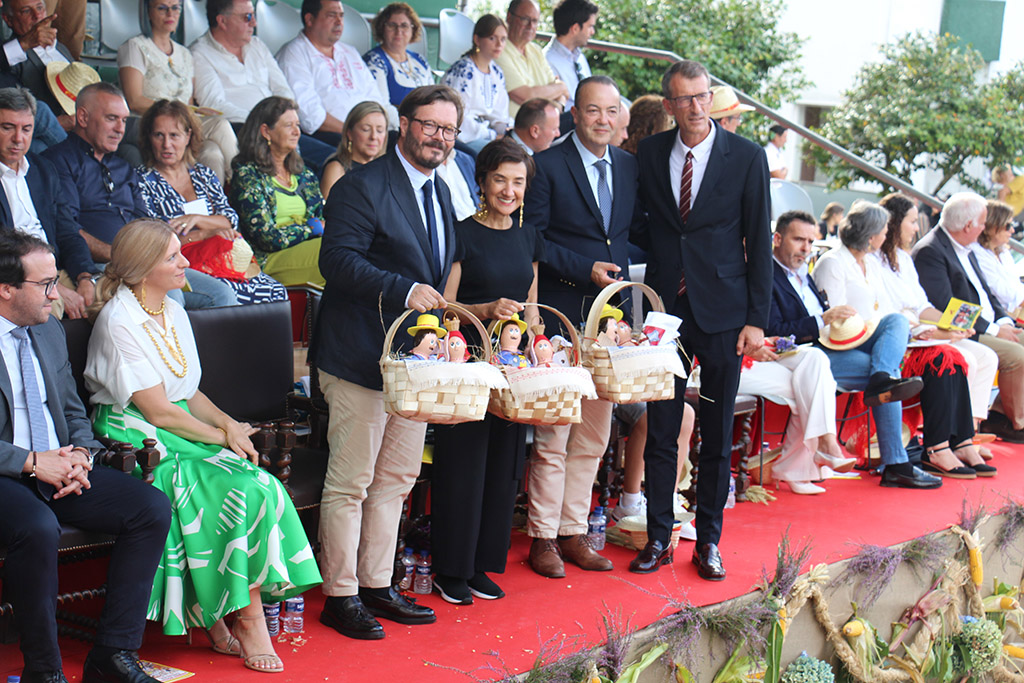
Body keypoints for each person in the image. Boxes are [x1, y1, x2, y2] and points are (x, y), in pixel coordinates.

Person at [84, 219, 321, 674]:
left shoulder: (171, 309)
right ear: (141, 268)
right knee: (241, 487)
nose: (185, 262)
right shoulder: (118, 320)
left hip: (178, 423)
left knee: (259, 483)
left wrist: (231, 426)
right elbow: (158, 411)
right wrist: (221, 439)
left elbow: (189, 394)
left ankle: (216, 616)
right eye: (173, 256)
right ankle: (250, 621)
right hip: (135, 435)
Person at [313, 84, 461, 640]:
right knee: (351, 482)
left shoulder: (442, 190)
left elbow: (442, 269)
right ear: (405, 124)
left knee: (396, 480)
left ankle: (377, 585)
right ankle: (340, 595)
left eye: (449, 130)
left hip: (413, 361)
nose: (439, 138)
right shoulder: (361, 186)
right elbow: (336, 262)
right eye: (430, 125)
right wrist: (405, 290)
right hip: (357, 356)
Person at [0, 229, 171, 683]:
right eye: (45, 285)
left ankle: (113, 654)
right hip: (7, 472)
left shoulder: (49, 329)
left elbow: (74, 408)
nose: (57, 295)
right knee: (37, 528)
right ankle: (44, 671)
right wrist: (34, 462)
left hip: (56, 464)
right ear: (6, 289)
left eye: (56, 281)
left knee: (148, 507)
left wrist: (81, 453)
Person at [631, 59, 772, 580]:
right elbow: (646, 226)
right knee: (661, 430)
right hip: (666, 314)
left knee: (714, 432)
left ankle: (708, 542)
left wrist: (756, 318)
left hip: (724, 317)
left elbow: (758, 241)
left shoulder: (747, 157)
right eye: (684, 99)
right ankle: (658, 538)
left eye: (702, 96)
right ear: (668, 105)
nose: (694, 107)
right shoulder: (648, 154)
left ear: (710, 98)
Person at [522, 75, 636, 579]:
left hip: (611, 322)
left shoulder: (630, 168)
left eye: (611, 112)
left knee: (594, 434)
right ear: (575, 114)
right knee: (553, 434)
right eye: (593, 111)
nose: (603, 121)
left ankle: (572, 532)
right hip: (561, 315)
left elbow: (628, 239)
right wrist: (583, 269)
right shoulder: (545, 166)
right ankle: (542, 536)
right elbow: (536, 241)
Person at [430, 137, 540, 604]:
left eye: (518, 182)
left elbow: (532, 306)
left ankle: (481, 564)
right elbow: (444, 306)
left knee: (503, 467)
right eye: (500, 179)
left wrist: (534, 349)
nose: (508, 190)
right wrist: (487, 309)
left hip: (511, 368)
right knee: (464, 466)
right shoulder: (462, 232)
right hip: (468, 363)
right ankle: (450, 569)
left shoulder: (528, 234)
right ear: (482, 182)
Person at [815, 200, 993, 479]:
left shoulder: (869, 264)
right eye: (884, 231)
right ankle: (901, 462)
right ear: (872, 235)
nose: (887, 235)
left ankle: (939, 445)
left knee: (896, 355)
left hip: (877, 340)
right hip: (842, 344)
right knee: (893, 375)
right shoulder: (833, 263)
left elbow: (890, 311)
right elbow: (834, 323)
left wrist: (919, 330)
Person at [767, 210, 935, 486]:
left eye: (810, 242)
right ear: (777, 239)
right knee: (888, 379)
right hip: (809, 352)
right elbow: (775, 330)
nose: (806, 248)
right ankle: (896, 462)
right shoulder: (770, 276)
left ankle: (883, 378)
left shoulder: (802, 274)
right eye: (799, 240)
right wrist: (823, 319)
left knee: (895, 322)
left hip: (837, 341)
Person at [41, 82, 238, 310]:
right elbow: (67, 229)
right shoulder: (57, 162)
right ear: (83, 118)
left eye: (124, 121)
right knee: (170, 294)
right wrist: (121, 256)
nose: (120, 129)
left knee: (222, 294)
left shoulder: (122, 167)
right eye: (111, 118)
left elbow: (147, 223)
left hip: (142, 262)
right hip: (101, 265)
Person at [137, 100, 287, 305]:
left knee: (276, 291)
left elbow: (230, 220)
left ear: (188, 137)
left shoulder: (203, 174)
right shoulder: (143, 181)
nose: (167, 144)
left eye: (174, 135)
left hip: (219, 255)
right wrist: (206, 231)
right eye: (158, 135)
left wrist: (197, 219)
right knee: (230, 293)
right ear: (149, 138)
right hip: (180, 264)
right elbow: (157, 240)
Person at [913, 192, 1024, 444]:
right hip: (965, 330)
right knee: (1017, 356)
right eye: (983, 223)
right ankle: (1015, 423)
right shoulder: (930, 250)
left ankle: (994, 415)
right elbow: (947, 307)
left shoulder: (966, 248)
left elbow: (987, 294)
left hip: (989, 325)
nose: (985, 228)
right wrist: (995, 331)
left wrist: (1004, 322)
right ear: (968, 226)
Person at [877, 193, 998, 426]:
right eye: (912, 221)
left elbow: (923, 306)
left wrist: (954, 325)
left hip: (925, 330)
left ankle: (968, 433)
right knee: (967, 360)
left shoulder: (904, 257)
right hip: (907, 336)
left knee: (986, 356)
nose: (916, 228)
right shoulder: (887, 259)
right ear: (894, 223)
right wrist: (942, 330)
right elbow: (898, 313)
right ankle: (949, 437)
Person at [190, 0, 333, 172]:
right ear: (222, 21)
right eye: (247, 17)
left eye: (254, 16)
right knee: (312, 166)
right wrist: (260, 120)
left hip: (279, 126)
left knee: (332, 159)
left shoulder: (257, 45)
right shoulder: (200, 53)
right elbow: (214, 105)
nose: (254, 23)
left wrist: (280, 119)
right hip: (244, 130)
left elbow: (283, 90)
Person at [0, 87, 96, 319]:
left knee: (118, 301)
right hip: (15, 276)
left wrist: (85, 276)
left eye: (26, 129)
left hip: (57, 269)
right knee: (47, 307)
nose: (18, 139)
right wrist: (51, 286)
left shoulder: (43, 170)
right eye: (7, 128)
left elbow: (67, 230)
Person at [117, 0, 238, 183]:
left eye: (175, 8)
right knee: (219, 125)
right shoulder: (135, 47)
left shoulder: (184, 54)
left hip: (181, 125)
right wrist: (185, 111)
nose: (170, 14)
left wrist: (196, 110)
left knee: (212, 151)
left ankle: (215, 208)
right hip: (148, 122)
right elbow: (134, 100)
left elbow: (187, 103)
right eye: (162, 8)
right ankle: (244, 184)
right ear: (148, 12)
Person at [229, 96, 324, 288]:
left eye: (297, 125)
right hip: (268, 259)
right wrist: (311, 228)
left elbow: (323, 219)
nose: (297, 132)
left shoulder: (304, 174)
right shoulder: (248, 174)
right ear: (266, 131)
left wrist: (316, 227)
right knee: (334, 251)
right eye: (289, 125)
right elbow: (266, 237)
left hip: (307, 248)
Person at [276, 0, 398, 148]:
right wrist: (352, 132)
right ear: (309, 19)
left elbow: (375, 99)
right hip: (331, 135)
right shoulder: (293, 54)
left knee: (406, 143)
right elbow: (310, 116)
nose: (339, 21)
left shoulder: (349, 52)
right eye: (332, 15)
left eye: (341, 15)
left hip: (368, 134)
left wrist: (376, 130)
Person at [441, 14, 511, 151]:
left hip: (485, 133)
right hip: (462, 136)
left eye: (503, 39)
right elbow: (458, 117)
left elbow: (499, 114)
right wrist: (492, 135)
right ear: (477, 40)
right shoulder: (464, 71)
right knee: (496, 155)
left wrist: (507, 131)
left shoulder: (497, 72)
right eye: (492, 38)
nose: (499, 44)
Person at [0, 0, 73, 126]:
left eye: (39, 8)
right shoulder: (11, 56)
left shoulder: (61, 48)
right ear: (8, 20)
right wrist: (57, 123)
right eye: (26, 11)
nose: (37, 15)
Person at [496, 0, 568, 117]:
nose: (531, 26)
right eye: (525, 19)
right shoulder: (498, 51)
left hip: (547, 125)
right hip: (517, 128)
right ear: (509, 17)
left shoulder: (536, 50)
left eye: (535, 21)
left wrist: (559, 103)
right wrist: (560, 87)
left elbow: (564, 94)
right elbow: (526, 97)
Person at [362, 2, 433, 109]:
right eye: (392, 25)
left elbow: (433, 99)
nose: (398, 31)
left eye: (404, 26)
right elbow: (381, 108)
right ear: (382, 28)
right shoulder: (374, 61)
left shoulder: (420, 61)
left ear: (412, 30)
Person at [319, 100, 388, 198]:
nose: (374, 136)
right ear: (349, 133)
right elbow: (328, 210)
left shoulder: (386, 170)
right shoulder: (337, 168)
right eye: (366, 129)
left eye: (380, 130)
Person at [972, 200, 1024, 314]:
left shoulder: (1002, 251)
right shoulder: (975, 253)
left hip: (1007, 315)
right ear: (992, 226)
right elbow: (1000, 290)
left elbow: (1015, 285)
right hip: (990, 318)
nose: (1012, 230)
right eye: (1008, 226)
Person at [543, 0, 596, 110]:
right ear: (575, 28)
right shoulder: (547, 61)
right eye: (590, 26)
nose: (593, 32)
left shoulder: (579, 58)